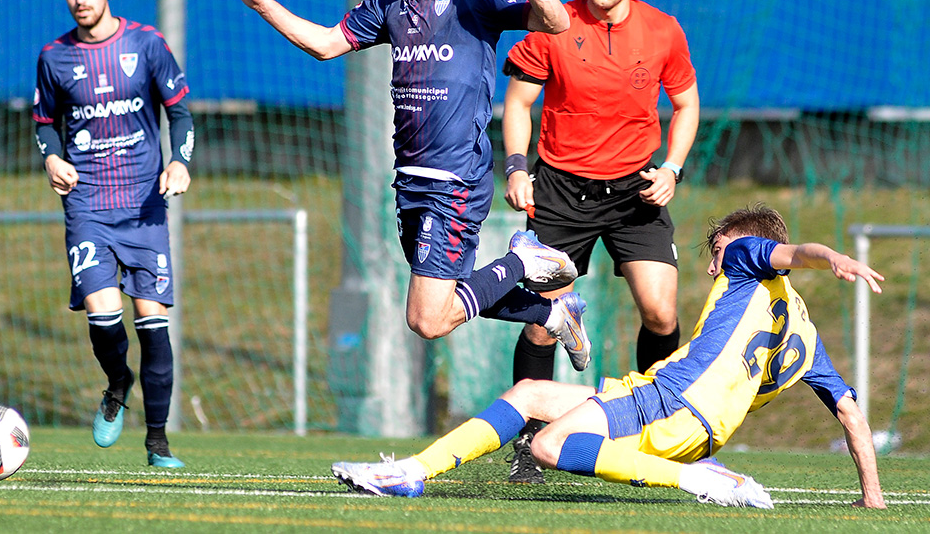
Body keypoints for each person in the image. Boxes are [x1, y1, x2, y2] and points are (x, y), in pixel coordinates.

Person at [216, 0, 591, 367]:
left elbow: (556, 22)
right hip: (409, 180)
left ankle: (525, 259)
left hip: (455, 178)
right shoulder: (391, 5)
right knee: (452, 295)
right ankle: (557, 314)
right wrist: (261, 2)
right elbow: (327, 45)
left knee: (427, 319)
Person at [332, 204, 888, 511]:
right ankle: (412, 472)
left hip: (673, 401)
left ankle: (700, 481)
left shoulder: (749, 256)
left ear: (742, 247)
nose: (714, 265)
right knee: (529, 397)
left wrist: (831, 256)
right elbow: (852, 416)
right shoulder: (805, 334)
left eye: (716, 252)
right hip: (691, 419)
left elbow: (796, 253)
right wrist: (874, 499)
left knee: (549, 445)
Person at [500, 0, 700, 481]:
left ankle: (655, 432)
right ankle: (529, 443)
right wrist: (517, 169)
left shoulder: (664, 31)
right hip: (561, 191)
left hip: (636, 189)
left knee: (661, 314)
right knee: (543, 323)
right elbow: (517, 106)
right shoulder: (551, 24)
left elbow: (686, 105)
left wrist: (673, 170)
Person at [33, 0, 194, 468]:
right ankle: (117, 380)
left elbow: (182, 115)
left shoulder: (146, 44)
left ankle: (157, 442)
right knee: (104, 319)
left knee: (152, 322)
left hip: (145, 207)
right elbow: (43, 125)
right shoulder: (54, 57)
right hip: (88, 208)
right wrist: (52, 158)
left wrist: (180, 162)